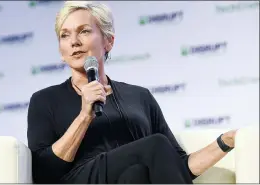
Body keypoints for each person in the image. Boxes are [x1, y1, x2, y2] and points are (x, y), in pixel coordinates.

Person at [27, 1, 237, 184]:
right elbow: (44, 172)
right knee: (155, 144)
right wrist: (84, 116)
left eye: (84, 31)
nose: (74, 41)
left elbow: (175, 165)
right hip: (79, 179)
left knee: (136, 174)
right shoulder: (45, 100)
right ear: (61, 52)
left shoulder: (140, 97)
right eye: (65, 35)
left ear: (109, 41)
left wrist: (224, 142)